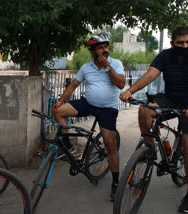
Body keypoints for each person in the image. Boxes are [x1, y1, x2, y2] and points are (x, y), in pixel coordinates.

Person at [120, 27, 188, 213]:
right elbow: (151, 74)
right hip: (171, 98)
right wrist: (129, 91)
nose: (185, 46)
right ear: (172, 43)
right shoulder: (166, 56)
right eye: (180, 43)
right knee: (145, 108)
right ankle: (148, 148)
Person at [52, 34, 125, 201]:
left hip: (107, 109)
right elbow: (73, 85)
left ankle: (115, 182)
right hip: (89, 103)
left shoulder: (115, 64)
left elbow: (121, 84)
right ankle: (68, 146)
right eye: (100, 47)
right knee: (58, 111)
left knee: (110, 144)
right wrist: (60, 101)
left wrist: (107, 67)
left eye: (106, 47)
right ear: (92, 51)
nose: (105, 50)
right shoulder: (86, 67)